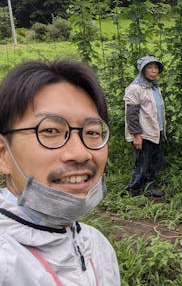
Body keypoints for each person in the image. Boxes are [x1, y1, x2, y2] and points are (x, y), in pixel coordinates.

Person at [0, 60, 120, 285]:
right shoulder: (6, 261)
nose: (80, 153)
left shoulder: (97, 246)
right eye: (51, 130)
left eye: (92, 132)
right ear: (3, 154)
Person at [124, 56, 166, 198]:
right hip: (143, 133)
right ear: (142, 71)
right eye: (150, 68)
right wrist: (136, 135)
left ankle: (149, 188)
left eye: (156, 68)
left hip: (156, 131)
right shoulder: (135, 88)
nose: (154, 71)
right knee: (142, 163)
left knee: (155, 162)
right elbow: (131, 114)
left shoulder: (154, 86)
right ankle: (134, 191)